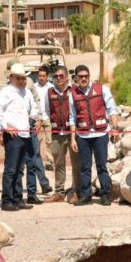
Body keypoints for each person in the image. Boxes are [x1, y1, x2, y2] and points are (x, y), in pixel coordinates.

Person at [0, 62, 41, 211]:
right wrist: (5, 127)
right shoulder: (6, 92)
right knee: (11, 169)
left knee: (20, 169)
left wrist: (35, 117)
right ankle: (7, 200)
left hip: (25, 133)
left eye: (23, 78)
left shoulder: (26, 93)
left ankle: (17, 198)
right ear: (11, 78)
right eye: (18, 78)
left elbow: (34, 107)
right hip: (13, 135)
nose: (21, 81)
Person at [68, 65, 119, 206]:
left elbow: (112, 109)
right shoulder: (72, 95)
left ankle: (105, 194)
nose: (84, 78)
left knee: (102, 165)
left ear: (89, 76)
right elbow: (72, 118)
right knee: (85, 166)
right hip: (83, 136)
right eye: (81, 76)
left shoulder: (102, 89)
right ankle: (86, 195)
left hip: (100, 134)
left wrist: (114, 128)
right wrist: (73, 138)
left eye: (86, 76)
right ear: (76, 78)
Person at [43, 66, 81, 203]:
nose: (58, 78)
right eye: (56, 76)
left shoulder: (74, 90)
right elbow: (46, 111)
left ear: (66, 77)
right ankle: (59, 192)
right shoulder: (49, 92)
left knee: (76, 164)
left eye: (61, 76)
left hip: (72, 134)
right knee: (58, 163)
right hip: (56, 134)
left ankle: (76, 191)